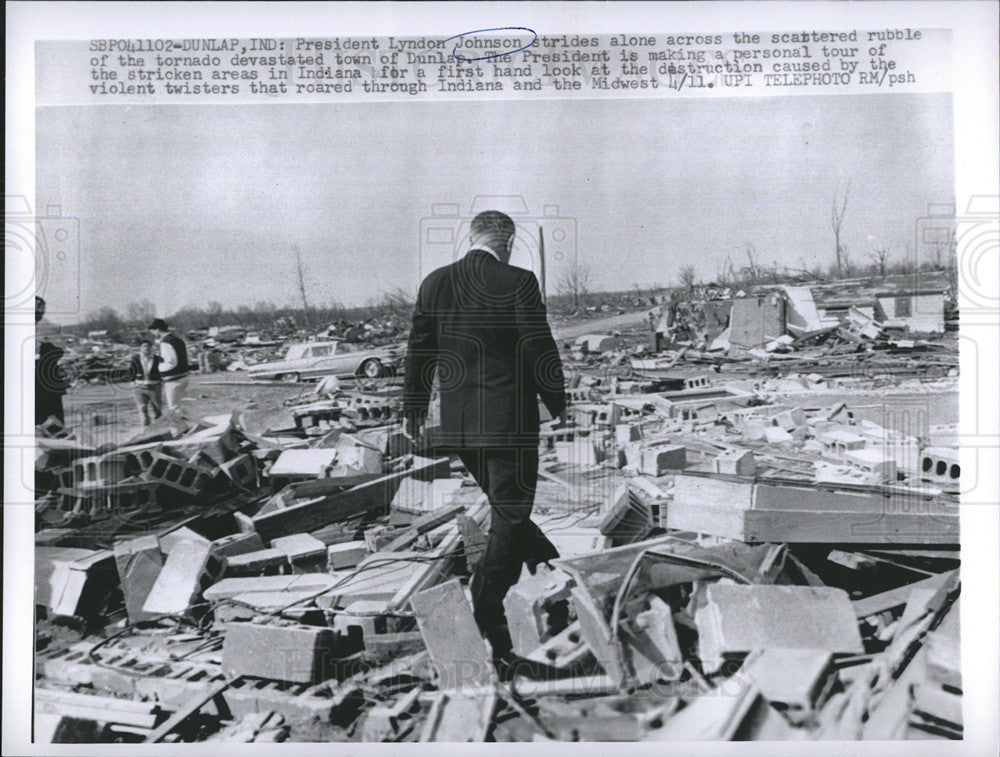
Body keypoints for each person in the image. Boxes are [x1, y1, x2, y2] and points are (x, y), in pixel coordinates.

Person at [403, 210, 567, 667]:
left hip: (459, 426)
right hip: (508, 424)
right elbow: (537, 344)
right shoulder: (518, 280)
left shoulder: (435, 282)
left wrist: (413, 409)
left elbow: (420, 350)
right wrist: (556, 399)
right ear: (508, 242)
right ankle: (484, 611)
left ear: (471, 238)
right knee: (512, 516)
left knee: (505, 508)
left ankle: (554, 571)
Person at [35, 296, 69, 426]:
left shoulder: (45, 326)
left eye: (41, 309)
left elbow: (60, 348)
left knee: (53, 419)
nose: (39, 313)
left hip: (46, 381)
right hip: (40, 382)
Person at [148, 318, 189, 413]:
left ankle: (180, 428)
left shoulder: (165, 342)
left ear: (157, 329)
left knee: (174, 408)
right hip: (184, 376)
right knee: (178, 406)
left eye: (153, 330)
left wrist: (158, 369)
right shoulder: (178, 340)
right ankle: (185, 426)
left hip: (173, 379)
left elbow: (171, 362)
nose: (153, 333)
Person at [129, 339, 163, 426]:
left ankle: (159, 428)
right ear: (140, 348)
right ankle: (146, 429)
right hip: (139, 387)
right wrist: (133, 382)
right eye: (144, 346)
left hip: (154, 387)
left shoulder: (157, 359)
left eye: (148, 346)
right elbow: (130, 372)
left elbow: (163, 371)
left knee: (157, 409)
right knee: (142, 408)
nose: (146, 348)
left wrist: (160, 381)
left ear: (151, 348)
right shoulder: (135, 359)